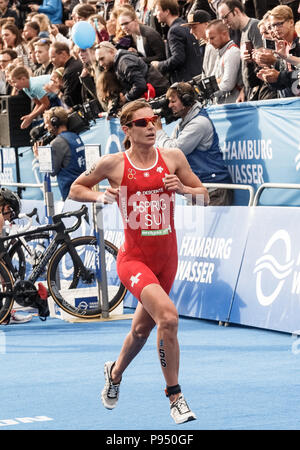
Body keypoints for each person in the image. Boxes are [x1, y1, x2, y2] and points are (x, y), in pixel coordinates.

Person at [69, 98, 209, 424]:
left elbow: (203, 196)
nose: (151, 127)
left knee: (143, 330)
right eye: (143, 122)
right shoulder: (113, 163)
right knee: (169, 319)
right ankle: (174, 395)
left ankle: (114, 373)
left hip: (167, 258)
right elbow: (76, 188)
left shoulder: (173, 157)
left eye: (155, 120)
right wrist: (99, 195)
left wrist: (185, 190)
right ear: (127, 129)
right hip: (133, 259)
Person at [155, 81, 233, 205]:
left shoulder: (199, 123)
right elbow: (167, 154)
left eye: (173, 101)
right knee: (197, 225)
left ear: (186, 101)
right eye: (169, 101)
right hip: (198, 188)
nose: (169, 106)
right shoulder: (183, 124)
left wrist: (159, 132)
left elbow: (174, 151)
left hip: (213, 190)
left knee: (210, 225)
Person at [35, 106, 86, 201]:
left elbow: (52, 171)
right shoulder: (75, 136)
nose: (46, 127)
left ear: (54, 122)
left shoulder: (57, 142)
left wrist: (39, 157)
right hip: (83, 188)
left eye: (47, 124)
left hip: (70, 193)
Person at [95, 41, 169, 105]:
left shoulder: (124, 62)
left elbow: (140, 85)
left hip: (159, 95)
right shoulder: (120, 62)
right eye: (98, 61)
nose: (101, 64)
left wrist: (125, 98)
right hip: (156, 95)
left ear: (111, 52)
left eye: (102, 59)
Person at [218, 0, 263, 102]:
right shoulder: (242, 32)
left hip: (260, 92)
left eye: (225, 17)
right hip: (249, 92)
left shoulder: (254, 26)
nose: (224, 22)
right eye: (222, 19)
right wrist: (244, 90)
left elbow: (263, 62)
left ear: (236, 11)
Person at [0, 188, 33, 325]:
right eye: (11, 212)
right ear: (6, 207)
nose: (11, 217)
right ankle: (4, 314)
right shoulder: (0, 217)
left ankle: (5, 313)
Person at [151, 0, 203, 82]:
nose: (155, 14)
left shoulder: (174, 31)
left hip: (185, 80)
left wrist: (159, 65)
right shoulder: (183, 24)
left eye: (157, 10)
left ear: (167, 11)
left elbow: (178, 58)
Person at [205, 19, 242, 103]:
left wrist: (208, 92)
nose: (210, 42)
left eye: (212, 38)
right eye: (208, 39)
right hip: (224, 105)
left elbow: (227, 85)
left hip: (232, 107)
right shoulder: (221, 52)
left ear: (224, 34)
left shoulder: (232, 52)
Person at [181, 9, 219, 77]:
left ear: (207, 24)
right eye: (190, 28)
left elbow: (212, 75)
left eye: (194, 27)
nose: (191, 31)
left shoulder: (213, 45)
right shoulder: (207, 44)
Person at [49, 41, 83, 110]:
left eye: (53, 57)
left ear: (63, 54)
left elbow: (69, 102)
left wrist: (56, 91)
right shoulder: (77, 63)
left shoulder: (68, 72)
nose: (51, 61)